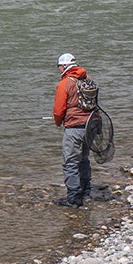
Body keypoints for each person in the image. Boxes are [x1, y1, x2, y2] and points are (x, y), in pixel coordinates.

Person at [52, 52, 98, 207]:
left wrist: (58, 122)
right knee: (84, 159)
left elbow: (59, 111)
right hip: (90, 126)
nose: (58, 70)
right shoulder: (89, 79)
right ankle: (85, 192)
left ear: (64, 66)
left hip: (74, 129)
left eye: (58, 67)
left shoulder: (64, 84)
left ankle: (74, 198)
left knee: (71, 162)